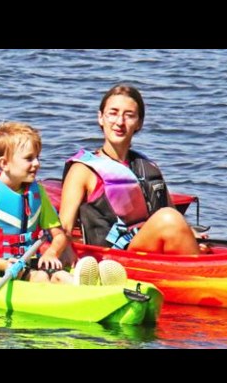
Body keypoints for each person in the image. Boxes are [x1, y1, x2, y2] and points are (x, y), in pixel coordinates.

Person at [59, 84, 200, 256]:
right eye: (113, 113)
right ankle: (200, 274)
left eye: (129, 116)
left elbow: (170, 213)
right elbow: (64, 227)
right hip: (111, 259)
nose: (119, 122)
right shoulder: (82, 170)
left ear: (139, 123)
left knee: (171, 218)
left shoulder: (147, 167)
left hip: (147, 251)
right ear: (101, 118)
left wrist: (190, 235)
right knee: (168, 218)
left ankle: (196, 267)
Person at [0, 122, 76, 283]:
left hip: (30, 262)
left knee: (63, 276)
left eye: (37, 157)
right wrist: (4, 265)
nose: (37, 163)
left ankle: (87, 284)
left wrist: (52, 252)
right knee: (40, 277)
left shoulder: (37, 193)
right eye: (29, 158)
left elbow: (59, 235)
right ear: (4, 163)